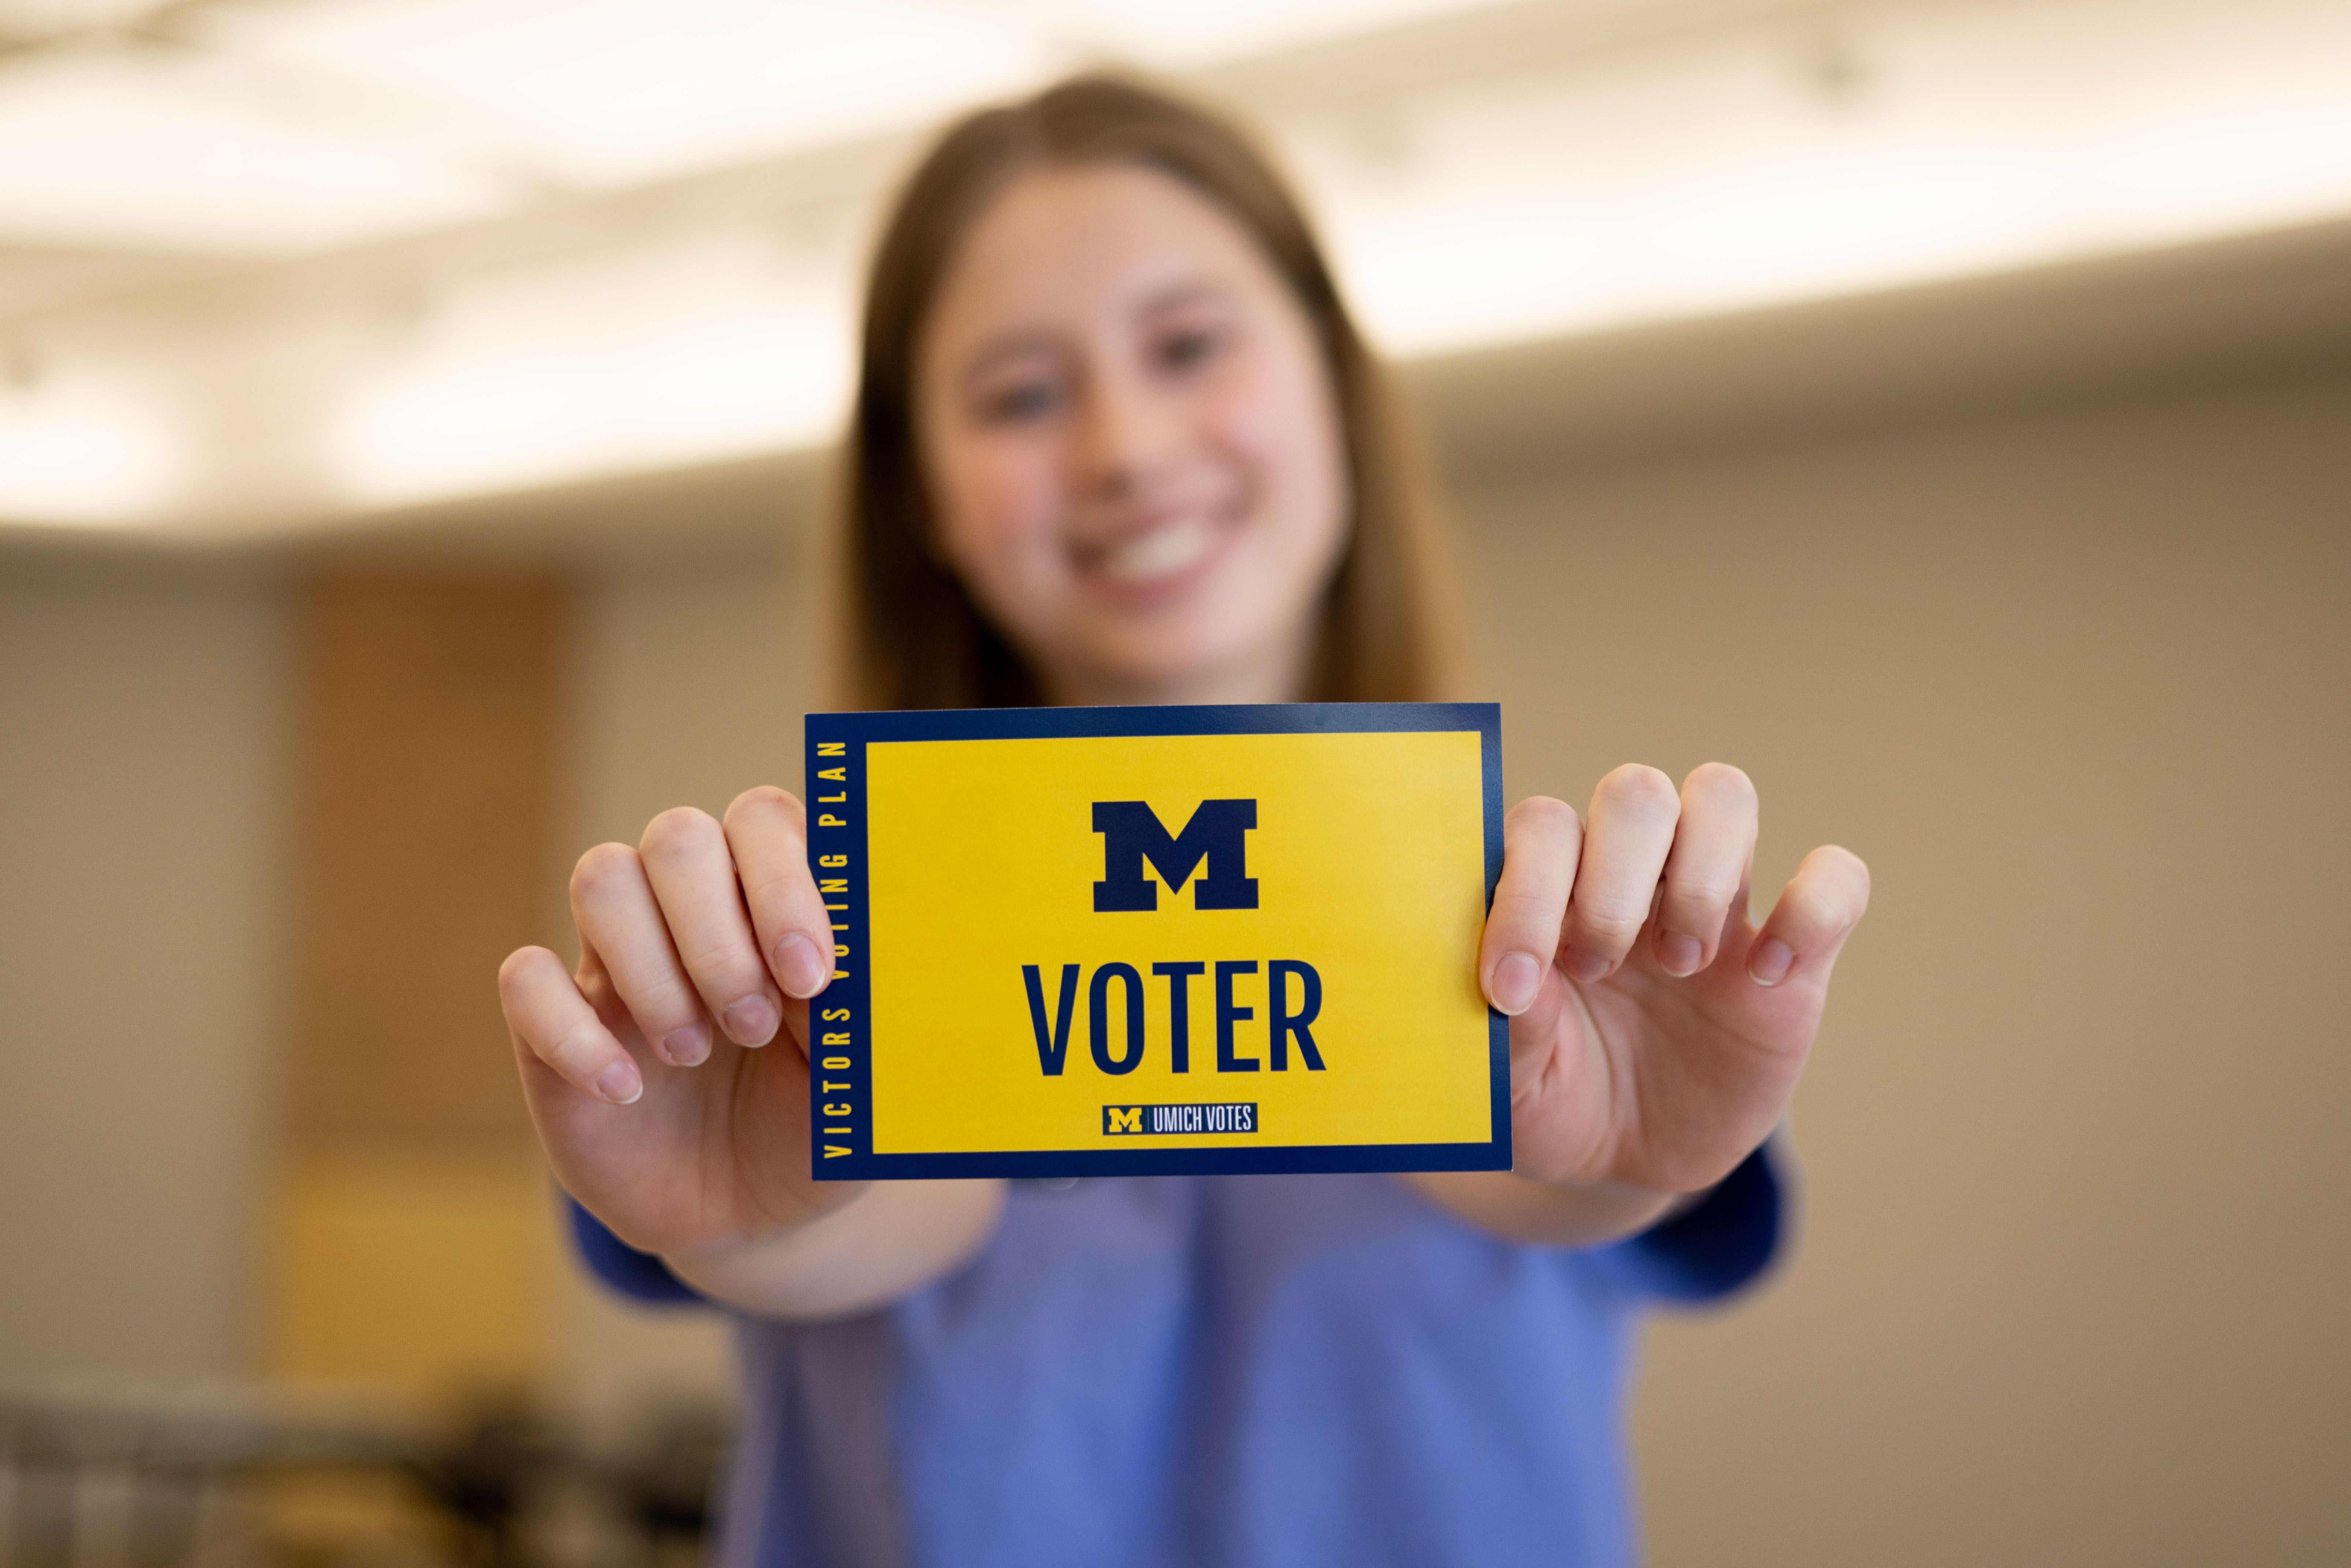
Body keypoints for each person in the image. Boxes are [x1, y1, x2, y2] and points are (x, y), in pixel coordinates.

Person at [496, 75, 1869, 1568]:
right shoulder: (783, 973)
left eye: (1190, 344)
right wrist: (751, 1208)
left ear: (1337, 388)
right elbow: (866, 1219)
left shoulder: (1587, 942)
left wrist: (1624, 1161)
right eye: (1020, 392)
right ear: (926, 501)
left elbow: (1542, 1175)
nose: (1124, 448)